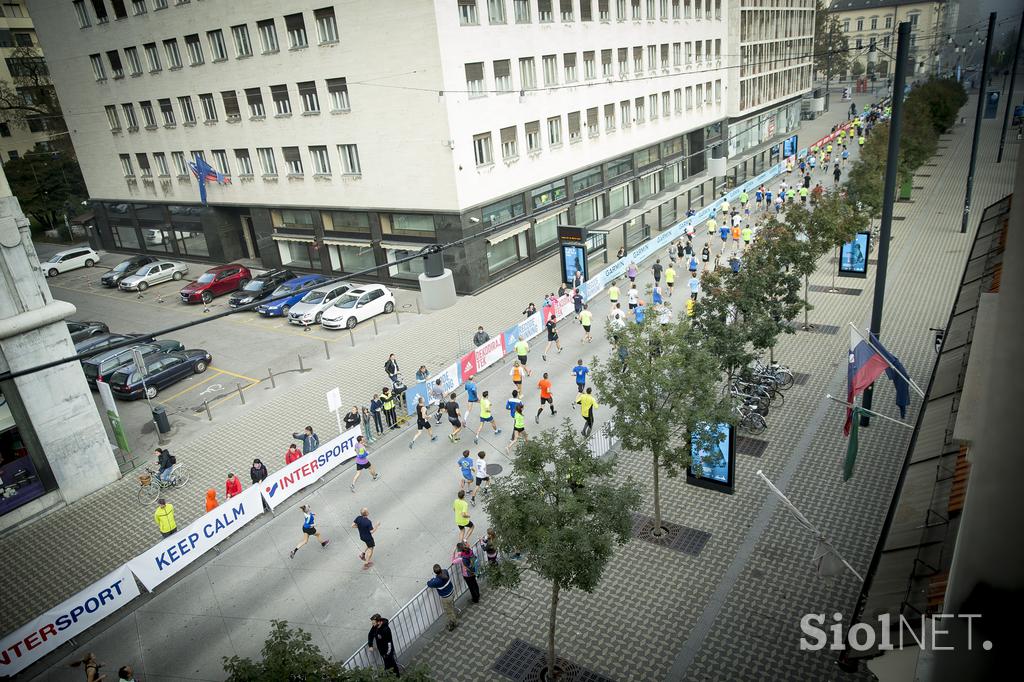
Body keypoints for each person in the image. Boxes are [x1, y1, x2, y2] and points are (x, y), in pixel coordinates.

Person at [428, 564, 458, 630]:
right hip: (452, 592)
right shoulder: (445, 572)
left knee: (449, 611)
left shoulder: (436, 581)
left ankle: (453, 623)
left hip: (446, 598)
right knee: (451, 606)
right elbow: (443, 571)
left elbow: (429, 583)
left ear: (434, 572)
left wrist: (432, 579)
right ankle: (453, 617)